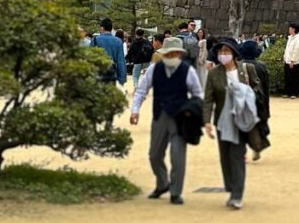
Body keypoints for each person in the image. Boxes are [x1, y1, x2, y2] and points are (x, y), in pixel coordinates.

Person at [130, 36, 204, 205]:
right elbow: (141, 91)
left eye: (174, 54)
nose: (171, 57)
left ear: (179, 54)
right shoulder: (153, 70)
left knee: (177, 157)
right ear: (164, 54)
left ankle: (175, 192)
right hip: (160, 115)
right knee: (154, 155)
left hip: (180, 117)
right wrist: (135, 110)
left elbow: (198, 94)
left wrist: (192, 110)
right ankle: (163, 183)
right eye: (168, 54)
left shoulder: (188, 71)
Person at [203, 38, 262, 210]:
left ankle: (237, 194)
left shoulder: (246, 70)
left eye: (226, 52)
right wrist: (206, 121)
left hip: (241, 120)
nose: (223, 55)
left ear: (234, 54)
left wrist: (246, 93)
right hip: (222, 120)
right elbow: (208, 99)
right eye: (220, 52)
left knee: (237, 156)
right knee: (225, 157)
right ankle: (231, 187)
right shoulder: (214, 73)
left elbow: (259, 90)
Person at [92, 18, 127, 86]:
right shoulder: (118, 41)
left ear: (102, 28)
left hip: (98, 73)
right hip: (112, 73)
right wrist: (122, 79)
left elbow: (90, 58)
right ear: (111, 28)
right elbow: (121, 61)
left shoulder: (95, 40)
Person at [283, 23, 299, 99]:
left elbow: (297, 50)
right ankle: (287, 92)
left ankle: (294, 93)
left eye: (290, 28)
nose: (289, 29)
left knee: (294, 77)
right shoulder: (290, 37)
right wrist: (285, 58)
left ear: (294, 29)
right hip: (287, 60)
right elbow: (287, 49)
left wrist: (292, 60)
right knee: (287, 77)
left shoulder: (298, 38)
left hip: (294, 62)